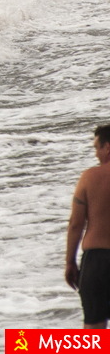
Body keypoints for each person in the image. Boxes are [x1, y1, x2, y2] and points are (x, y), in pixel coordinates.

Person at [66, 125, 110, 328]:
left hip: (97, 261)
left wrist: (70, 262)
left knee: (94, 332)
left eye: (96, 148)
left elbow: (76, 224)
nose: (95, 154)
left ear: (107, 147)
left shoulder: (89, 177)